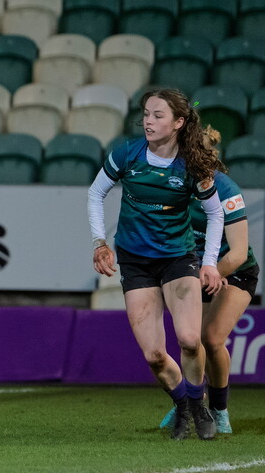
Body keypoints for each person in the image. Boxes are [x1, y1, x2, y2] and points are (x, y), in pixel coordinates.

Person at [87, 88, 224, 441]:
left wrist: (209, 263)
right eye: (146, 114)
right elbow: (95, 192)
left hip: (178, 258)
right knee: (153, 355)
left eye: (158, 115)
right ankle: (182, 405)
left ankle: (198, 406)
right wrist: (100, 242)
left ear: (178, 122)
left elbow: (215, 213)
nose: (149, 121)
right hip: (136, 263)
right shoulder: (128, 154)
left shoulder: (193, 164)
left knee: (191, 340)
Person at [159, 169, 259, 434]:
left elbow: (238, 254)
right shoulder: (174, 184)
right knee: (192, 339)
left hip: (233, 270)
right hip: (197, 270)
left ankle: (219, 409)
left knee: (212, 338)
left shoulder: (227, 189)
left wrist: (213, 274)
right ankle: (193, 403)